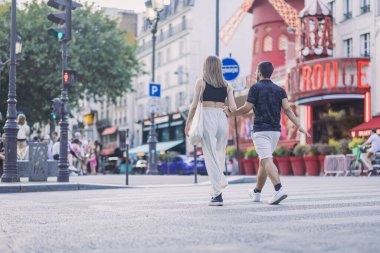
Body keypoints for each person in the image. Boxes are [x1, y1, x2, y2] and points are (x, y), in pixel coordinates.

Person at [225, 62, 310, 205]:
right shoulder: (280, 90)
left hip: (261, 131)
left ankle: (279, 189)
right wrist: (299, 125)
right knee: (263, 162)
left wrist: (231, 113)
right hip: (275, 131)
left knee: (266, 160)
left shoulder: (255, 88)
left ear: (259, 72)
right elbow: (288, 110)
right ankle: (257, 192)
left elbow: (247, 108)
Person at [185, 55, 237, 206]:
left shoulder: (201, 83)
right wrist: (226, 109)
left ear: (205, 67)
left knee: (211, 157)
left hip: (207, 117)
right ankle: (218, 185)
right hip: (221, 118)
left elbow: (194, 105)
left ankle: (217, 195)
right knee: (219, 155)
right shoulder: (227, 85)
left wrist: (188, 122)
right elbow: (233, 108)